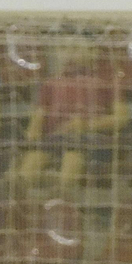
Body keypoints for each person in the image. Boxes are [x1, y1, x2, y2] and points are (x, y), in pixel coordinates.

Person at [13, 44, 125, 192]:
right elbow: (38, 118)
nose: (69, 54)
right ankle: (29, 207)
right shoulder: (51, 82)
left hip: (92, 140)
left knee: (72, 157)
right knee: (31, 163)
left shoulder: (107, 80)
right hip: (56, 138)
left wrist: (86, 125)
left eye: (75, 48)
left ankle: (62, 202)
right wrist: (32, 137)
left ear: (93, 51)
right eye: (63, 49)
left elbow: (121, 117)